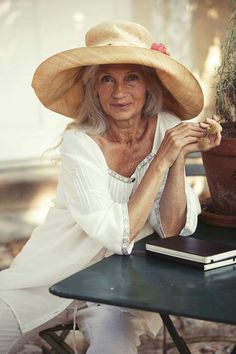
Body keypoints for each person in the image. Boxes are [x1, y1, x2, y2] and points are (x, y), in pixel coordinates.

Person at [0, 20, 221, 354]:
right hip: (48, 278)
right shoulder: (80, 143)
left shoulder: (167, 127)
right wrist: (162, 158)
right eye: (107, 79)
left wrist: (177, 155)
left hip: (122, 291)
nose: (119, 92)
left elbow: (172, 228)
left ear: (148, 84)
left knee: (113, 345)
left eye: (131, 77)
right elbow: (118, 235)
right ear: (94, 88)